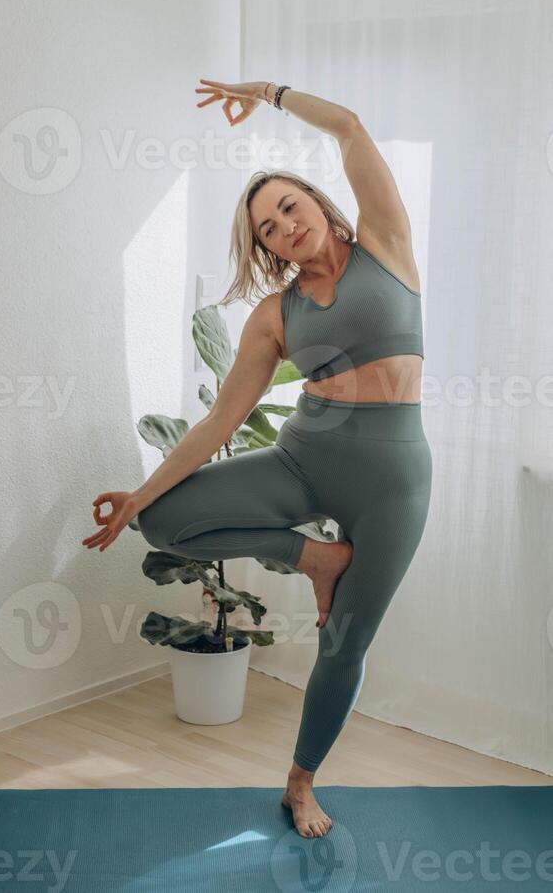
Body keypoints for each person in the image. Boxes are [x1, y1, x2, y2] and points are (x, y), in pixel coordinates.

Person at [82, 80, 432, 839]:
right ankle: (311, 560)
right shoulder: (276, 314)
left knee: (346, 644)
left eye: (288, 207)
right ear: (265, 248)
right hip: (304, 459)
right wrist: (140, 496)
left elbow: (348, 125)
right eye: (267, 228)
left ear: (317, 202)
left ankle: (299, 785)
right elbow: (220, 420)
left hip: (393, 476)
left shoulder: (387, 244)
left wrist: (269, 92)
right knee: (167, 523)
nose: (282, 227)